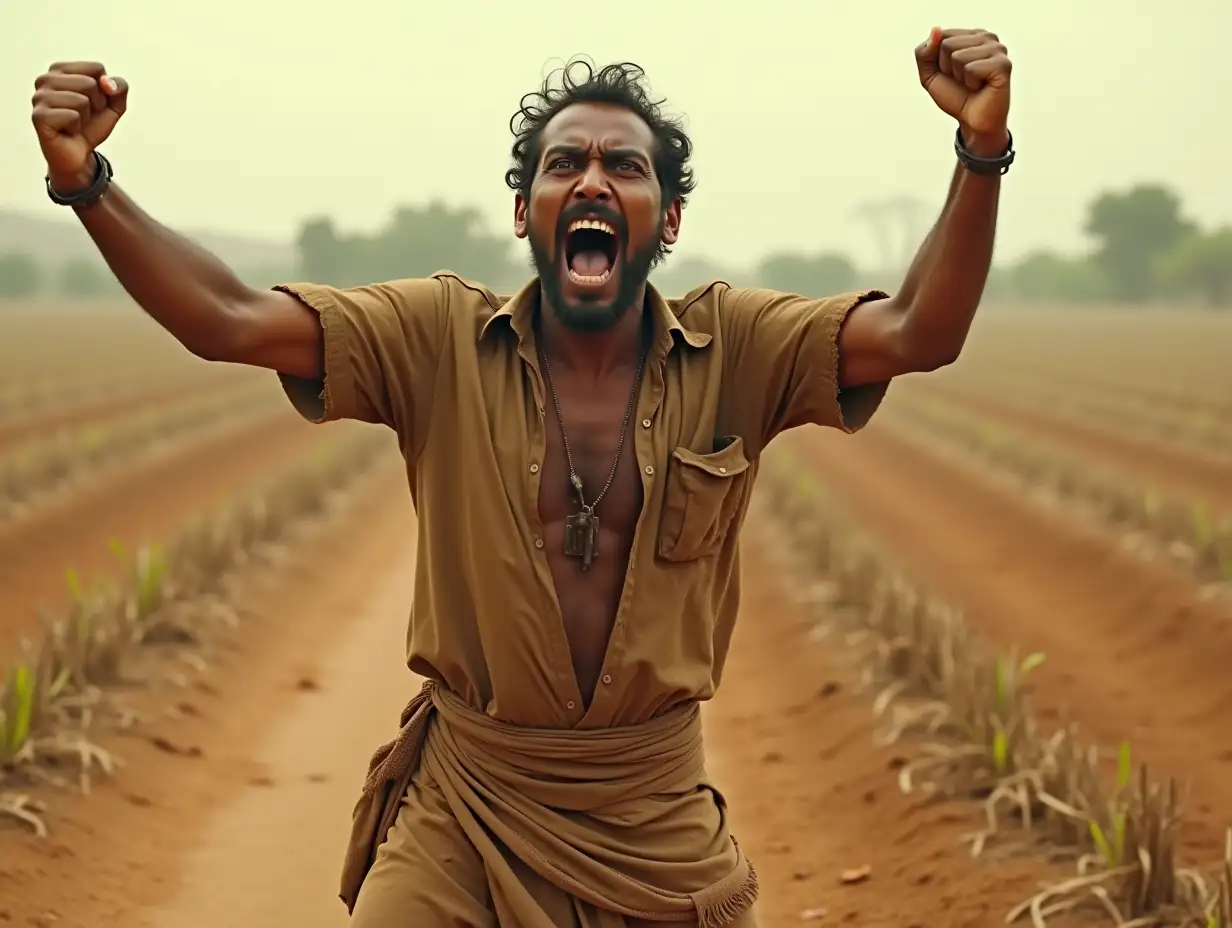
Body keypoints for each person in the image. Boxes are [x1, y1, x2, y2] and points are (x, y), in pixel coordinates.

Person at [30, 27, 1014, 927]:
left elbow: (919, 332)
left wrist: (978, 153)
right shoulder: (434, 339)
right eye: (562, 165)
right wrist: (88, 183)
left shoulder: (742, 347)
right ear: (523, 210)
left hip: (650, 814)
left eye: (622, 167)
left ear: (665, 218)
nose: (590, 180)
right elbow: (228, 318)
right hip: (468, 804)